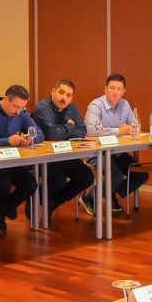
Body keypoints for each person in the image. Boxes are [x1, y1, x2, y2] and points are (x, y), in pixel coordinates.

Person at [0, 84, 44, 233]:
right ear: (6, 99)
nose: (19, 111)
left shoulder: (21, 113)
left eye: (22, 108)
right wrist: (7, 141)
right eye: (16, 107)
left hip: (12, 162)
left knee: (31, 184)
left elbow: (39, 133)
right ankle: (5, 209)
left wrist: (30, 139)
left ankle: (0, 209)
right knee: (3, 183)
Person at [83, 73, 148, 215]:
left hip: (117, 152)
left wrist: (129, 128)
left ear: (123, 91)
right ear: (105, 89)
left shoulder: (125, 105)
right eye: (112, 88)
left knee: (141, 174)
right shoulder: (96, 105)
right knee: (116, 176)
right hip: (97, 153)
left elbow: (134, 126)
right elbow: (92, 131)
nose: (115, 92)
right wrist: (120, 130)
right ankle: (90, 197)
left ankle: (111, 193)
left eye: (119, 89)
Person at [32, 78, 93, 220]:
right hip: (44, 157)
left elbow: (82, 131)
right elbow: (52, 135)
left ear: (71, 98)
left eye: (68, 95)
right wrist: (70, 126)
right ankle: (34, 205)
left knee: (86, 177)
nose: (64, 98)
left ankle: (53, 203)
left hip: (64, 155)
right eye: (61, 92)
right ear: (53, 91)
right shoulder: (42, 108)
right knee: (57, 178)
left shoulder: (71, 107)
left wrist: (62, 132)